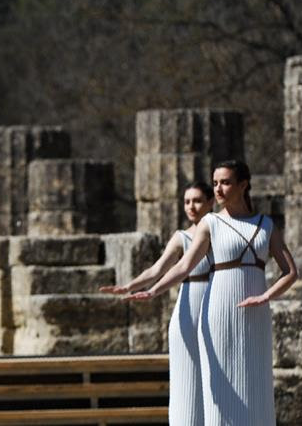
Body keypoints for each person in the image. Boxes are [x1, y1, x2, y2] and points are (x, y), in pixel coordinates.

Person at [127, 160, 298, 425]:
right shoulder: (211, 223)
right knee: (221, 389)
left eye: (226, 182)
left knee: (257, 385)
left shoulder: (266, 225)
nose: (218, 189)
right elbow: (184, 266)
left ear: (243, 185)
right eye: (216, 183)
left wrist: (266, 296)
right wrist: (153, 291)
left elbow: (290, 272)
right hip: (218, 312)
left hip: (255, 315)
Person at [100, 182, 215, 426]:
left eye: (197, 201)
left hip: (215, 307)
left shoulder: (221, 233)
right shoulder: (181, 237)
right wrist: (130, 286)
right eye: (186, 202)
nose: (191, 207)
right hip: (188, 310)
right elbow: (157, 269)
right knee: (187, 378)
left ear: (210, 202)